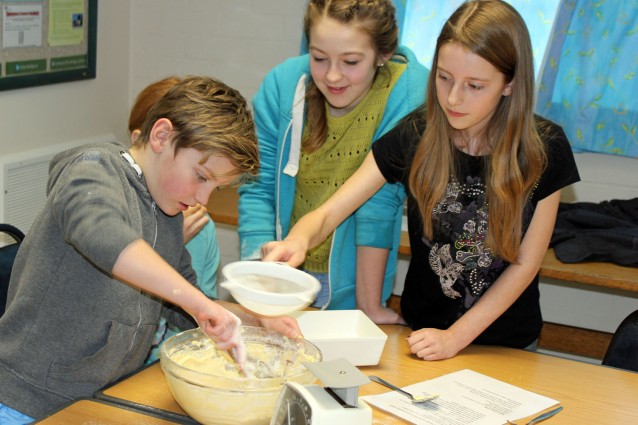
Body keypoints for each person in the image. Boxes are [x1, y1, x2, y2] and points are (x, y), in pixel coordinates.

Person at [262, 0, 580, 361]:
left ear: (509, 84)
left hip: (507, 345)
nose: (453, 98)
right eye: (443, 78)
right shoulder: (418, 133)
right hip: (422, 335)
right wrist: (298, 239)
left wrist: (455, 338)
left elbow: (525, 264)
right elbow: (331, 211)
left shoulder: (545, 148)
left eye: (474, 85)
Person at [0, 76, 301, 422]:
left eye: (215, 189)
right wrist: (198, 302)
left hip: (96, 399)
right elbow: (102, 234)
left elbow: (184, 305)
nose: (203, 199)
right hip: (22, 399)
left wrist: (255, 320)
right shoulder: (92, 169)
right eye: (201, 177)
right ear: (161, 136)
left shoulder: (167, 212)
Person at [238, 0, 429, 324]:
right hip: (282, 272)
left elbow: (379, 205)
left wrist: (367, 303)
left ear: (382, 55)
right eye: (319, 58)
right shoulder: (283, 86)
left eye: (351, 61)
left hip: (357, 281)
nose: (333, 75)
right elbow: (259, 186)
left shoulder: (409, 94)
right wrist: (261, 267)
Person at [127, 76, 221, 363]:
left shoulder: (202, 228)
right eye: (198, 176)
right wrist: (170, 243)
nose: (201, 199)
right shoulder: (114, 211)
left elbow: (199, 322)